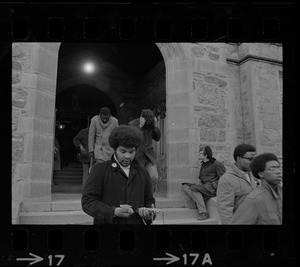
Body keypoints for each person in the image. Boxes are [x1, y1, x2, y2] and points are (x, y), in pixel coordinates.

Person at [82, 125, 156, 224]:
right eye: (123, 151)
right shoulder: (100, 170)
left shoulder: (143, 172)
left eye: (131, 152)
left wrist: (148, 215)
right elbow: (88, 202)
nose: (127, 156)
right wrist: (113, 211)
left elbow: (149, 202)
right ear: (115, 149)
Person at [231, 153, 282, 224]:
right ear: (261, 174)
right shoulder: (254, 199)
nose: (278, 172)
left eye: (278, 168)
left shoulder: (280, 193)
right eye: (272, 169)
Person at [216, 143, 259, 224]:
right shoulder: (227, 179)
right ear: (239, 158)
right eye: (250, 159)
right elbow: (225, 210)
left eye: (255, 159)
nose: (254, 163)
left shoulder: (255, 176)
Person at [181, 146, 226, 220]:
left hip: (211, 188)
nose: (198, 154)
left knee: (194, 189)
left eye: (200, 153)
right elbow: (200, 178)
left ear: (206, 155)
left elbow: (224, 178)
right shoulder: (203, 164)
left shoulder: (216, 164)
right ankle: (198, 202)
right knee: (185, 186)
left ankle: (204, 212)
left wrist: (218, 189)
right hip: (204, 187)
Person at [129, 109, 161, 192]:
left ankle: (149, 196)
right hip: (137, 157)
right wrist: (140, 127)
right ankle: (139, 197)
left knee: (154, 177)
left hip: (149, 156)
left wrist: (155, 125)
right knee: (137, 179)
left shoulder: (151, 124)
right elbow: (132, 139)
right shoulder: (132, 124)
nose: (147, 126)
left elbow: (157, 138)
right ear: (141, 118)